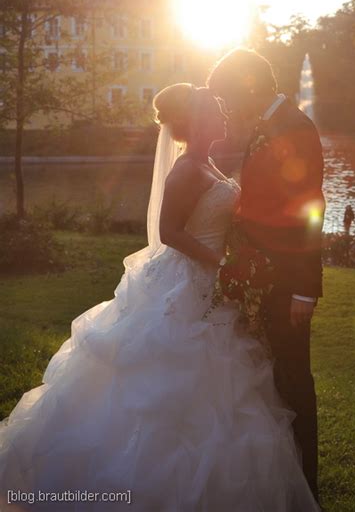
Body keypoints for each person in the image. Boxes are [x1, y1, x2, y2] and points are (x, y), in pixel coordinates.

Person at [0, 84, 320, 512]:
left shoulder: (206, 164)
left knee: (225, 381)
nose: (226, 113)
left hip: (213, 285)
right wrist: (221, 264)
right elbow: (170, 232)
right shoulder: (187, 169)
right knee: (167, 383)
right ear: (198, 120)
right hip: (187, 284)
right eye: (217, 108)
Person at [207, 49, 326, 504]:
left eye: (226, 99)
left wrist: (304, 291)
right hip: (263, 276)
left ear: (248, 87)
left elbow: (310, 211)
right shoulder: (267, 125)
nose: (225, 109)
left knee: (295, 380)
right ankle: (283, 479)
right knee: (274, 380)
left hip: (286, 284)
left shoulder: (294, 128)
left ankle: (306, 488)